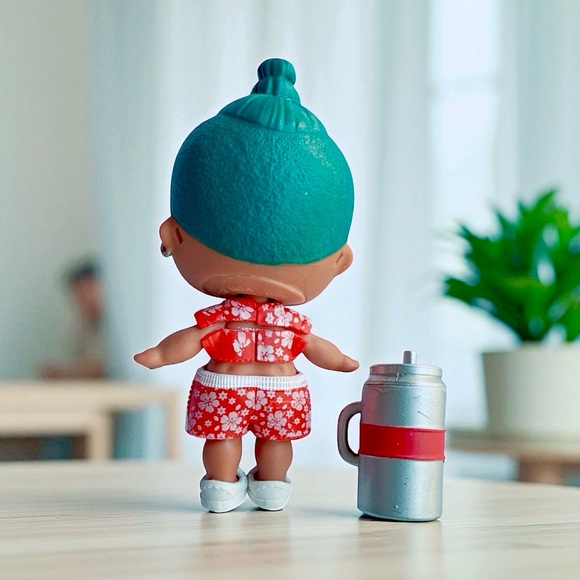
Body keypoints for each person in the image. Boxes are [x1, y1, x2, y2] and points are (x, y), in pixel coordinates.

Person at [134, 58, 358, 512]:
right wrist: (339, 361)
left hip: (226, 385)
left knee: (226, 438)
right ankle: (266, 487)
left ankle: (225, 487)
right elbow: (315, 347)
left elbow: (192, 339)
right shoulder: (288, 323)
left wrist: (161, 354)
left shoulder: (223, 318)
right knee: (272, 441)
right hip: (281, 389)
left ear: (172, 236)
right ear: (340, 262)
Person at [40, 259, 106, 380]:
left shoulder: (117, 328)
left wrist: (67, 372)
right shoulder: (81, 328)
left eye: (89, 291)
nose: (85, 300)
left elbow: (102, 367)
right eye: (79, 295)